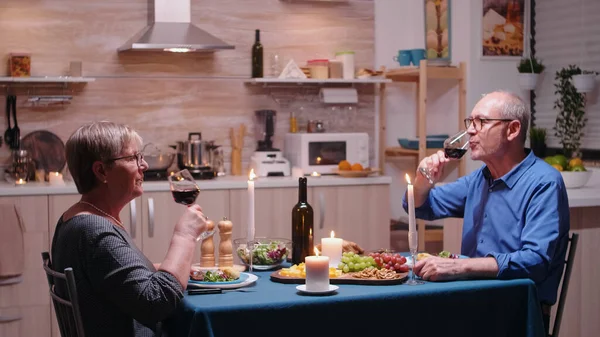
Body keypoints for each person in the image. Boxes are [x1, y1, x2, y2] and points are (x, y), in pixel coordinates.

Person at [403, 91, 570, 333]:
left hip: (516, 312)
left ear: (512, 130)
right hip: (472, 301)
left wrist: (460, 267)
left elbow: (535, 261)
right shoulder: (480, 179)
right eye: (470, 122)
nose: (471, 130)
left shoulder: (544, 183)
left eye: (481, 122)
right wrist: (423, 180)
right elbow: (418, 207)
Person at [51, 121, 208, 337]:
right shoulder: (94, 231)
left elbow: (108, 277)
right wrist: (185, 235)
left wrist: (162, 269)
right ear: (101, 170)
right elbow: (157, 303)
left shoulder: (78, 218)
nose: (143, 166)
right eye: (133, 158)